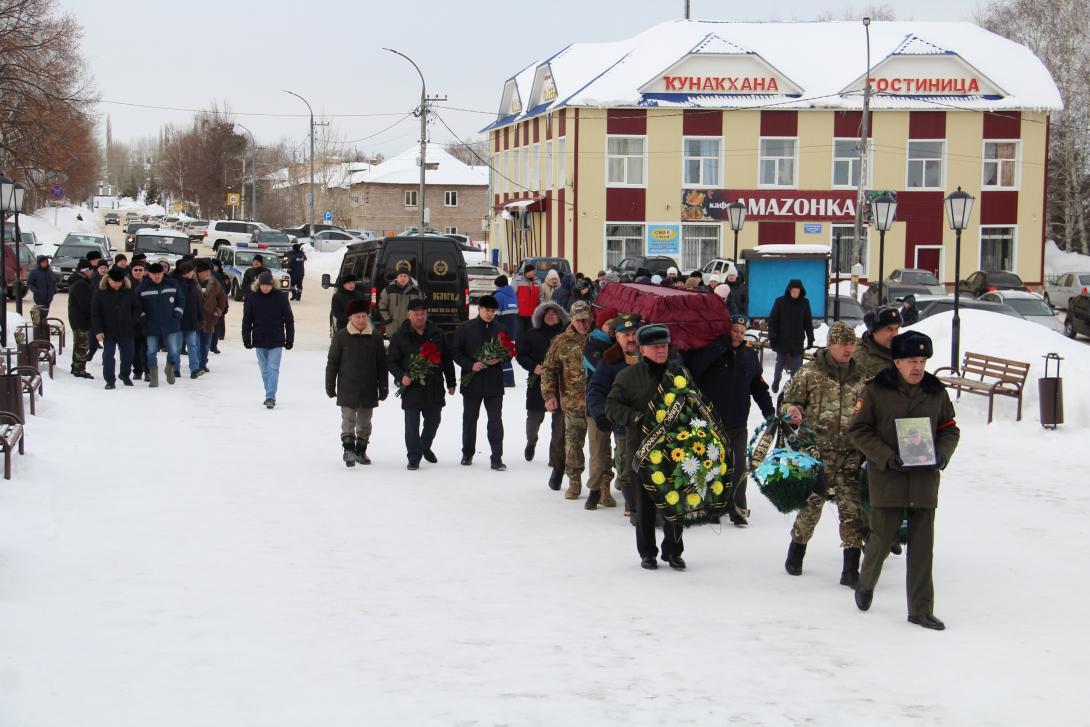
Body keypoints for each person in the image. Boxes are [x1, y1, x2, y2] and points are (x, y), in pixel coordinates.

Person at [850, 330, 960, 631]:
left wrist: (942, 454)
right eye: (912, 360)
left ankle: (920, 610)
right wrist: (885, 456)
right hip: (889, 478)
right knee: (882, 539)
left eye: (922, 361)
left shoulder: (936, 392)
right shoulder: (876, 391)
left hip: (924, 479)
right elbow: (858, 430)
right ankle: (866, 582)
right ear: (896, 362)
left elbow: (950, 429)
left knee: (923, 547)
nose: (918, 367)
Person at [781, 321, 866, 585]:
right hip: (817, 453)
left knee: (851, 511)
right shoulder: (809, 373)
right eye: (843, 344)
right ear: (830, 344)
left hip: (850, 454)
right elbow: (789, 402)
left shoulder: (861, 377)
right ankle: (797, 550)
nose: (848, 349)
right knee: (811, 508)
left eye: (852, 344)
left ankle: (850, 568)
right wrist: (792, 412)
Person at [606, 325, 687, 570]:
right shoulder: (629, 376)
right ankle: (647, 552)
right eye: (655, 346)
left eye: (664, 345)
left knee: (675, 503)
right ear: (642, 349)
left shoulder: (679, 374)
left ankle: (673, 551)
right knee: (645, 507)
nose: (661, 350)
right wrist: (635, 417)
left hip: (675, 451)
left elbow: (694, 401)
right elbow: (611, 406)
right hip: (641, 451)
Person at [688, 314, 775, 526]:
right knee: (710, 466)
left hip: (738, 423)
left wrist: (769, 411)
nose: (737, 335)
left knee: (737, 466)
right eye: (734, 331)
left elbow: (758, 386)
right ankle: (710, 506)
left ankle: (736, 508)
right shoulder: (710, 351)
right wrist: (720, 348)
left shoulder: (749, 356)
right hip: (710, 421)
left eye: (741, 332)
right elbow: (695, 369)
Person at [387, 299, 458, 470]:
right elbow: (390, 361)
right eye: (416, 314)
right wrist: (401, 376)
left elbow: (447, 359)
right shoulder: (399, 336)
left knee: (434, 420)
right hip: (412, 386)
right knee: (412, 424)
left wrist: (451, 381)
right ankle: (414, 456)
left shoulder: (437, 333)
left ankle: (424, 446)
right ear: (409, 315)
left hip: (434, 385)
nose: (420, 317)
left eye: (423, 314)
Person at [587, 313, 640, 520]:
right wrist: (600, 415)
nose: (631, 338)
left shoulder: (651, 355)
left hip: (652, 422)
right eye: (625, 334)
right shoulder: (610, 361)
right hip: (624, 424)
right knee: (626, 465)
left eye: (634, 333)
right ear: (616, 337)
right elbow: (596, 390)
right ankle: (633, 504)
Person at [541, 300, 595, 501]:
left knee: (600, 447)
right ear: (572, 319)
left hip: (598, 403)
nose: (583, 324)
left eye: (586, 320)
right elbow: (548, 369)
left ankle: (603, 483)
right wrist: (549, 395)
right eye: (579, 320)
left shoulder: (598, 338)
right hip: (573, 403)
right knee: (572, 444)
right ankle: (574, 481)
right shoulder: (562, 341)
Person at [326, 299, 388, 466]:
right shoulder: (341, 337)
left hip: (368, 387)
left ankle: (361, 450)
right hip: (348, 386)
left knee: (365, 422)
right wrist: (330, 385)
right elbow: (332, 362)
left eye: (364, 316)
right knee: (348, 419)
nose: (361, 319)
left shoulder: (375, 338)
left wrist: (383, 386)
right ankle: (348, 449)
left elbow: (382, 364)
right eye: (357, 316)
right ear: (350, 318)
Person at [516, 301, 568, 487]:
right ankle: (531, 442)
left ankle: (554, 458)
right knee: (534, 420)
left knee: (560, 425)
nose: (551, 315)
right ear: (541, 316)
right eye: (547, 313)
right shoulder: (531, 334)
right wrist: (533, 367)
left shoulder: (566, 335)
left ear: (560, 316)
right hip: (538, 383)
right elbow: (520, 354)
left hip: (562, 384)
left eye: (554, 313)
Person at [452, 294, 506, 469]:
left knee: (495, 421)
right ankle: (467, 453)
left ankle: (496, 457)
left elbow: (508, 352)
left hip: (494, 383)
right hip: (472, 382)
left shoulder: (500, 328)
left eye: (493, 311)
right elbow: (456, 352)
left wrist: (500, 359)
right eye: (487, 310)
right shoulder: (465, 328)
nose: (490, 314)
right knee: (469, 419)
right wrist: (470, 364)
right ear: (479, 309)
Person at [242, 270, 295, 409]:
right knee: (264, 370)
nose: (265, 288)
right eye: (263, 285)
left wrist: (290, 338)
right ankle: (269, 392)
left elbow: (289, 319)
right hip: (259, 339)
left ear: (273, 284)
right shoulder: (253, 298)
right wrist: (246, 338)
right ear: (258, 284)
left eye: (268, 285)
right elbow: (247, 320)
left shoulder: (281, 297)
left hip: (276, 339)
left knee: (273, 368)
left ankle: (270, 396)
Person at [90, 267, 141, 389]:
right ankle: (109, 380)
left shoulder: (129, 292)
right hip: (108, 331)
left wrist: (131, 321)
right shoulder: (100, 293)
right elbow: (95, 313)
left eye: (119, 282)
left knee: (128, 355)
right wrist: (98, 330)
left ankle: (124, 375)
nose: (117, 284)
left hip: (126, 330)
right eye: (114, 282)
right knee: (108, 355)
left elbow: (137, 309)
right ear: (108, 280)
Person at [136, 262, 185, 387]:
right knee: (151, 352)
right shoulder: (143, 287)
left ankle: (169, 369)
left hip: (170, 325)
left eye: (159, 274)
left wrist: (177, 314)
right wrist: (143, 317)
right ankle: (154, 377)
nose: (157, 276)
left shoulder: (172, 284)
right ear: (149, 274)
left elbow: (181, 300)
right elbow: (136, 305)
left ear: (163, 273)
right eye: (154, 274)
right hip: (151, 326)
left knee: (173, 351)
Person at [767, 278, 814, 392]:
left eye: (797, 292)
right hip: (782, 339)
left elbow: (808, 321)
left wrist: (810, 337)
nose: (795, 294)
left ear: (800, 292)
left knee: (796, 367)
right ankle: (776, 380)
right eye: (793, 291)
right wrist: (772, 336)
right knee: (780, 364)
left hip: (797, 340)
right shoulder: (780, 301)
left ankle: (793, 387)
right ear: (789, 291)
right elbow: (772, 320)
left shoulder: (804, 303)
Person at [172, 260, 204, 379]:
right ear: (188, 272)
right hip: (179, 321)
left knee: (192, 345)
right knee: (177, 346)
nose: (193, 273)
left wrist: (200, 318)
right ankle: (175, 369)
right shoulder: (176, 284)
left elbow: (197, 303)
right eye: (192, 271)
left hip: (191, 321)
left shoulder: (193, 284)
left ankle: (194, 369)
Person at [195, 260, 227, 375]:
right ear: (199, 272)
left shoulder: (214, 283)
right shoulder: (192, 282)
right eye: (206, 271)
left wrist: (218, 311)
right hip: (196, 318)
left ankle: (203, 363)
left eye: (209, 271)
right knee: (196, 344)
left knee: (206, 344)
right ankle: (197, 364)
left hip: (210, 319)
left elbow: (222, 298)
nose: (208, 273)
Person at [855, 305, 902, 380]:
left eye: (896, 329)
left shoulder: (903, 352)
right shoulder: (859, 358)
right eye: (889, 329)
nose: (894, 334)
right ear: (874, 331)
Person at [66, 259, 95, 379]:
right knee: (82, 345)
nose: (92, 272)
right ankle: (79, 369)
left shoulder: (79, 282)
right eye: (90, 270)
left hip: (77, 319)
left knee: (79, 344)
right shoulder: (81, 284)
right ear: (85, 270)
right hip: (81, 320)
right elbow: (86, 304)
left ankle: (76, 366)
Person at [378, 262, 422, 338]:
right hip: (392, 330)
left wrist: (416, 322)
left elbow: (420, 309)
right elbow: (382, 306)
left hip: (410, 330)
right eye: (400, 276)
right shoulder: (388, 290)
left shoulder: (416, 292)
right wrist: (387, 319)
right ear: (397, 277)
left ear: (408, 278)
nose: (403, 278)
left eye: (405, 276)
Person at [493, 273, 520, 386]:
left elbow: (494, 315)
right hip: (512, 329)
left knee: (501, 355)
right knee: (506, 354)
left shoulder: (498, 296)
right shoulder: (512, 295)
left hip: (501, 330)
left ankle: (507, 380)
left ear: (498, 285)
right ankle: (506, 378)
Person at [128, 261, 149, 381]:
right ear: (132, 271)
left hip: (146, 321)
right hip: (133, 322)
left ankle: (148, 371)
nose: (138, 272)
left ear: (144, 271)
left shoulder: (148, 284)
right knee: (134, 349)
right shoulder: (127, 284)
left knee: (147, 349)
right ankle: (137, 371)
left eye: (140, 270)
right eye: (135, 270)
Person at [512, 264, 541, 337]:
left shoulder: (537, 281)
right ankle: (519, 347)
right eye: (532, 271)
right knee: (520, 334)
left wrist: (542, 308)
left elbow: (541, 296)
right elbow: (512, 296)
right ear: (527, 272)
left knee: (531, 334)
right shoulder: (517, 281)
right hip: (520, 313)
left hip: (533, 313)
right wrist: (514, 309)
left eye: (535, 271)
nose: (534, 273)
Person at [27, 255, 57, 320]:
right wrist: (36, 291)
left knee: (45, 313)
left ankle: (42, 326)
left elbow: (54, 282)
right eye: (43, 262)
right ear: (39, 263)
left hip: (49, 297)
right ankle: (39, 327)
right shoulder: (34, 272)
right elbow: (30, 283)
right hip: (39, 298)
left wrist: (54, 290)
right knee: (40, 313)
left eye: (46, 262)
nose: (44, 264)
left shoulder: (50, 272)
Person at [210, 258, 230, 353]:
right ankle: (212, 344)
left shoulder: (220, 276)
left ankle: (216, 341)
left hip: (217, 303)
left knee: (218, 322)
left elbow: (225, 290)